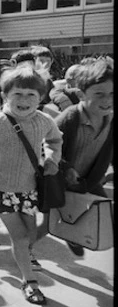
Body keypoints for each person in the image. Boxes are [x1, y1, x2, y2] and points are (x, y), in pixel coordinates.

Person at [0, 65, 62, 305]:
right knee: (21, 237)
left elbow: (55, 140)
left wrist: (51, 159)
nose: (24, 100)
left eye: (31, 95)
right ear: (6, 95)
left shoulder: (44, 120)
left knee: (29, 234)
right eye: (18, 94)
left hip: (28, 188)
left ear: (41, 98)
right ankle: (29, 281)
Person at [47, 58, 113, 256]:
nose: (107, 100)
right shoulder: (70, 118)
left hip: (88, 182)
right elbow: (45, 146)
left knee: (104, 216)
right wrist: (65, 168)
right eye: (99, 94)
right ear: (81, 94)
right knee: (41, 227)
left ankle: (73, 234)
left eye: (111, 94)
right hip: (58, 181)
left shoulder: (111, 121)